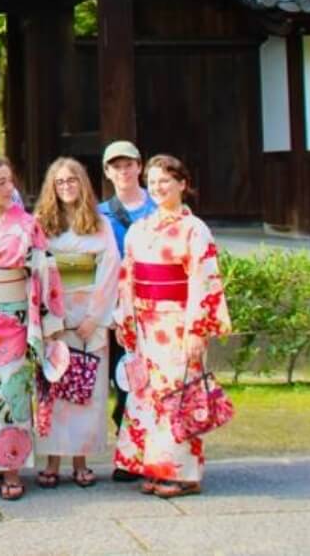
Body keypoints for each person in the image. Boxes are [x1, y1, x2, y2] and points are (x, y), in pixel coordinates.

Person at [114, 155, 231, 499]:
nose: (158, 187)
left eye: (165, 181)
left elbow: (204, 280)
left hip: (179, 321)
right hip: (146, 322)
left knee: (177, 396)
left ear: (182, 184)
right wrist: (124, 318)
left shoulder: (194, 229)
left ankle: (183, 472)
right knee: (148, 396)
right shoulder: (140, 228)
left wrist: (198, 329)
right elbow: (128, 275)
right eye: (152, 182)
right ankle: (155, 466)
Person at [0, 155, 63, 502]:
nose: (7, 187)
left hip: (15, 317)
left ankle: (12, 468)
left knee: (10, 393)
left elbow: (46, 272)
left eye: (9, 180)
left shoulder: (26, 224)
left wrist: (49, 325)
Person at [32, 158, 120, 489]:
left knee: (88, 391)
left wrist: (94, 317)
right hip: (54, 315)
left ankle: (81, 459)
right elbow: (36, 270)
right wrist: (50, 317)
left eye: (72, 180)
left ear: (83, 183)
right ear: (51, 188)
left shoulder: (100, 224)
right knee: (53, 389)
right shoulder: (41, 223)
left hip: (89, 314)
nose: (66, 186)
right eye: (60, 181)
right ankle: (52, 460)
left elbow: (110, 269)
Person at [97, 139, 156, 456]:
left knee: (155, 379)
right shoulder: (100, 214)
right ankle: (127, 449)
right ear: (107, 172)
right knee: (122, 378)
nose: (123, 171)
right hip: (116, 307)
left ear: (140, 166)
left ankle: (154, 449)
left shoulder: (159, 208)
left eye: (128, 164)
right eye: (116, 166)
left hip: (156, 305)